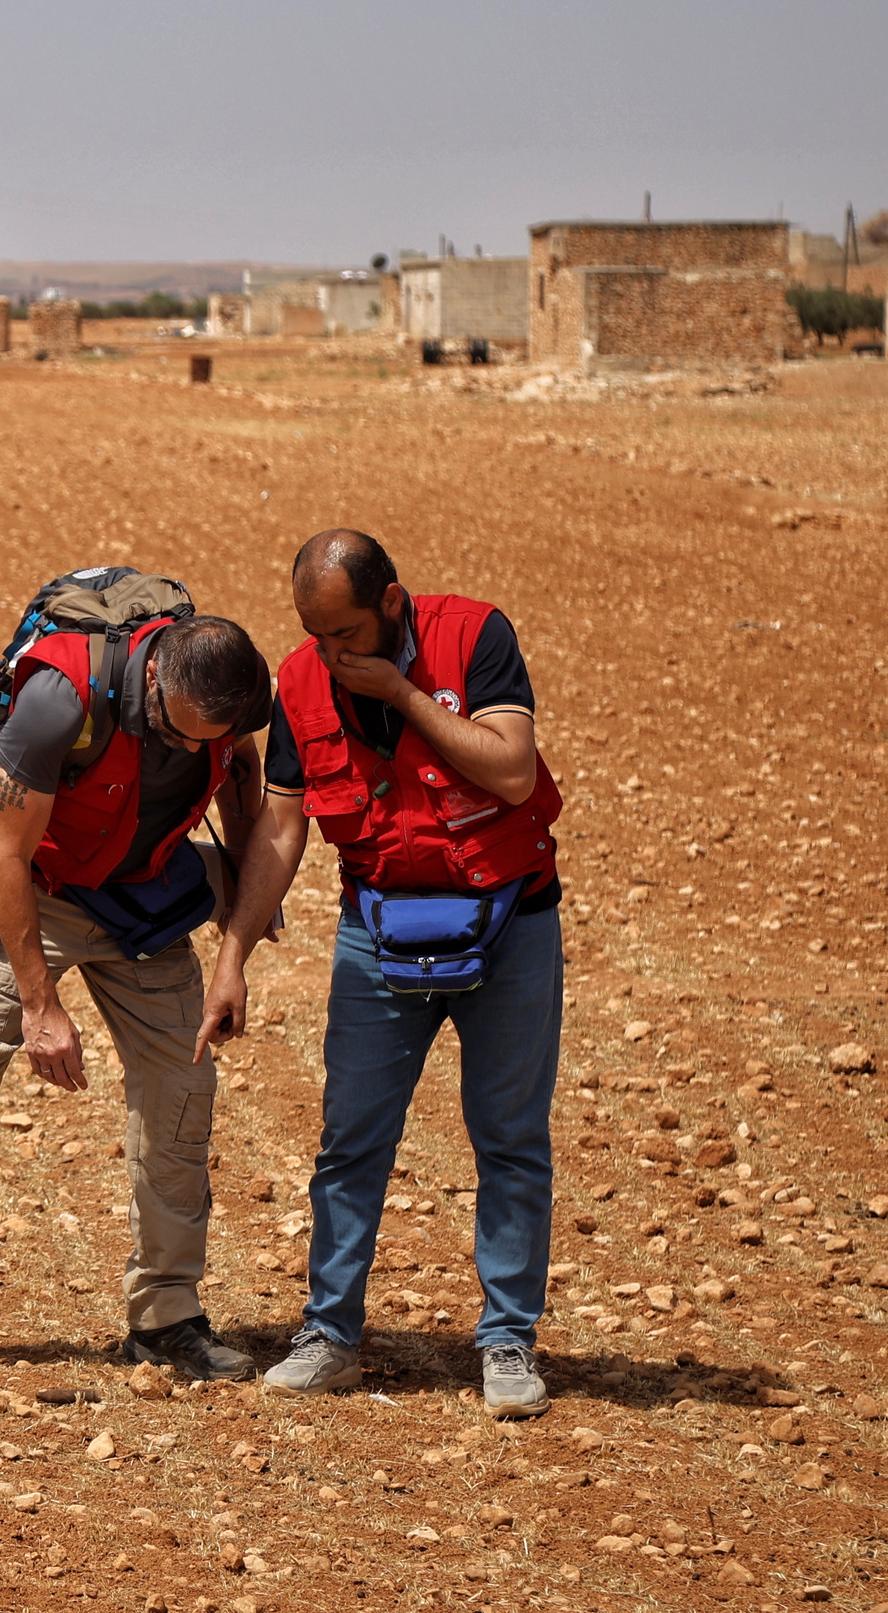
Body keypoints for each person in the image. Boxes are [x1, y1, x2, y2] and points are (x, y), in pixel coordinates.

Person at [0, 608, 274, 1386]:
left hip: (140, 895)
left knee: (183, 1079)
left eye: (209, 737)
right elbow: (4, 852)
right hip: (35, 888)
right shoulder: (59, 703)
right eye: (177, 734)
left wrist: (243, 900)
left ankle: (168, 1316)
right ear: (152, 680)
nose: (190, 750)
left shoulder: (232, 706)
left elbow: (241, 774)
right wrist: (39, 1007)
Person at [207, 529, 564, 1417]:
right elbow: (283, 831)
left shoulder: (476, 638)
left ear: (393, 606)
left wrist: (402, 694)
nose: (328, 653)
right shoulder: (298, 683)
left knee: (510, 1141)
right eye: (311, 632)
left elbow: (513, 771)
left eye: (345, 635)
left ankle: (508, 1342)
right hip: (377, 930)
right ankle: (330, 1333)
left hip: (510, 925)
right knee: (349, 1142)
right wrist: (232, 957)